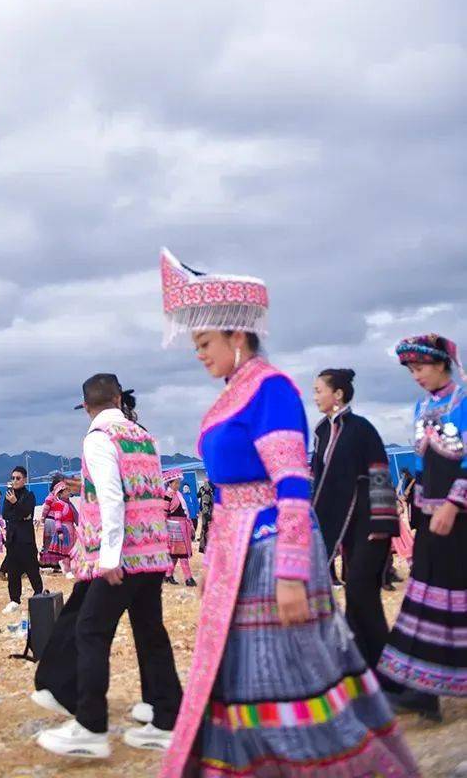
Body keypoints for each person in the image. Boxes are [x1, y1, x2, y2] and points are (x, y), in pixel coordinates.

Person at [158, 248, 417, 778]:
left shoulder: (271, 389)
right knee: (241, 676)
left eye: (204, 343)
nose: (199, 354)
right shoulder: (235, 393)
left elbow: (293, 487)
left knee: (287, 674)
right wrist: (213, 566)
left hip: (272, 549)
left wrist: (293, 572)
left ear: (236, 335)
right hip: (237, 550)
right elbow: (229, 495)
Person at [35, 374, 181, 759]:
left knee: (90, 630)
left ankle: (90, 724)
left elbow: (112, 497)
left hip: (125, 556)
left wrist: (109, 556)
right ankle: (167, 714)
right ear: (119, 398)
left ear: (86, 406)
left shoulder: (99, 439)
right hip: (153, 551)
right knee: (151, 631)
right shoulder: (145, 437)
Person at [379, 334, 467, 721]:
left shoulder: (463, 403)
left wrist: (454, 502)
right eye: (411, 369)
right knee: (428, 597)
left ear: (443, 364)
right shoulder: (422, 406)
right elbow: (422, 466)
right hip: (432, 518)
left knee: (453, 594)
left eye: (421, 367)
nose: (416, 375)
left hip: (459, 516)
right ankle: (423, 689)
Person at [310, 367, 399, 669]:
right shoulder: (322, 432)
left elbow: (379, 474)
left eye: (319, 390)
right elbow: (318, 479)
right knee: (356, 592)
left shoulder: (361, 429)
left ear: (338, 394)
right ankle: (364, 668)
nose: (315, 397)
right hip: (341, 526)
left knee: (361, 590)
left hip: (369, 522)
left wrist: (383, 523)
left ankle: (383, 668)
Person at [2, 465, 43, 613]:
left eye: (18, 478)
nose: (14, 481)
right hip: (12, 540)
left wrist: (16, 504)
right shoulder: (9, 495)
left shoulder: (29, 496)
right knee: (13, 572)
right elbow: (6, 514)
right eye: (12, 478)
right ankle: (14, 600)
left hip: (26, 540)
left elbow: (27, 512)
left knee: (32, 569)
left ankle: (39, 594)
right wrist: (19, 512)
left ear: (24, 480)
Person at [39, 477, 78, 574]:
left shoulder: (62, 501)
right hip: (52, 522)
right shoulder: (52, 498)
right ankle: (47, 563)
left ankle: (54, 564)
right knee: (51, 544)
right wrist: (43, 518)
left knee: (55, 545)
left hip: (56, 522)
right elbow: (45, 510)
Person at [164, 474, 195, 586]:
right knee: (182, 553)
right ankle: (188, 578)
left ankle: (168, 575)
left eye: (178, 482)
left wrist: (190, 525)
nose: (178, 485)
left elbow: (185, 512)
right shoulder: (168, 495)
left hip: (182, 525)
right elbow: (164, 513)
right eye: (176, 483)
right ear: (170, 483)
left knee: (176, 554)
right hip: (174, 526)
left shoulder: (179, 495)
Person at [197, 479, 213, 554]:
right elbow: (205, 505)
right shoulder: (207, 490)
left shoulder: (207, 489)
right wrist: (208, 517)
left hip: (209, 515)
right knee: (207, 532)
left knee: (206, 532)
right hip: (208, 516)